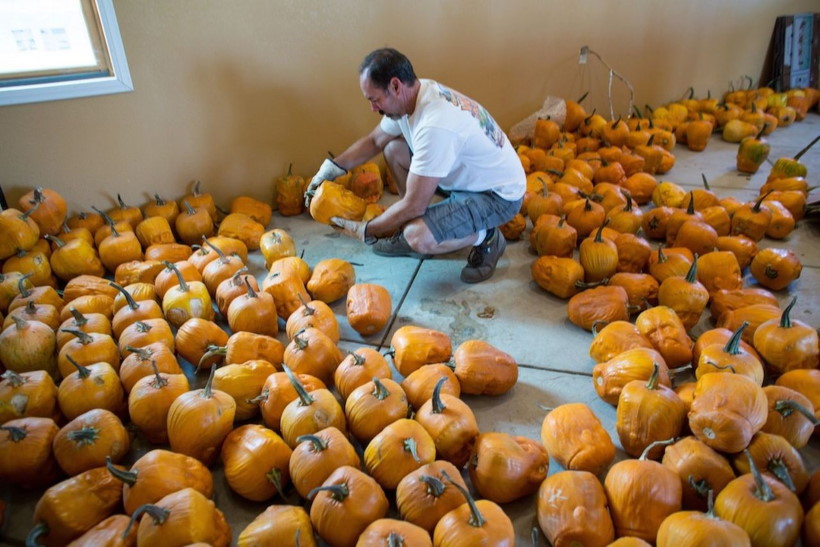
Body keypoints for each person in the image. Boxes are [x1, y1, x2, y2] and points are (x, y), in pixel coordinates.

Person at [305, 47, 526, 283]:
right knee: (393, 149)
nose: (373, 108)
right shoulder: (415, 95)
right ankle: (431, 223)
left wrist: (366, 230)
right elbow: (374, 141)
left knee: (417, 235)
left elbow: (414, 206)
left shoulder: (435, 124)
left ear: (396, 86)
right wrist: (331, 169)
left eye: (375, 100)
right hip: (466, 178)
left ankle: (488, 237)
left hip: (497, 196)